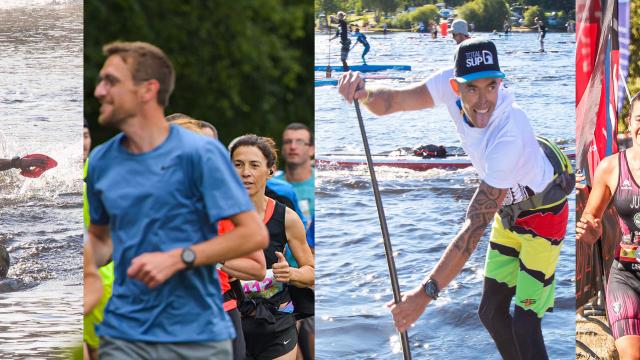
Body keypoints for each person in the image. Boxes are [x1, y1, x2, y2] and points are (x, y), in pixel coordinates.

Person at [339, 39, 573, 360]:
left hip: (544, 214)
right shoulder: (446, 83)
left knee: (525, 322)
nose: (483, 100)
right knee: (490, 313)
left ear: (500, 83)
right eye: (471, 89)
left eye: (491, 87)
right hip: (508, 210)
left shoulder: (509, 132)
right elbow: (391, 102)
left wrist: (423, 296)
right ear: (455, 85)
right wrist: (364, 93)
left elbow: (473, 229)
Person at [86, 41, 268, 359]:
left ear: (147, 90)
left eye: (111, 81)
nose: (99, 91)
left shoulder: (203, 154)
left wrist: (178, 257)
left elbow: (253, 235)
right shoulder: (102, 160)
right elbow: (102, 241)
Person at [228, 134, 314, 360]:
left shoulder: (287, 218)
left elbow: (312, 273)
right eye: (238, 164)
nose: (245, 172)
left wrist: (291, 273)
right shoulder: (216, 216)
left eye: (254, 165)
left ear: (270, 170)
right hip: (229, 322)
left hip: (276, 322)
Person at [576, 93, 640, 360]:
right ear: (628, 124)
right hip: (626, 276)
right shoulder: (611, 167)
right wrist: (590, 232)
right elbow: (590, 221)